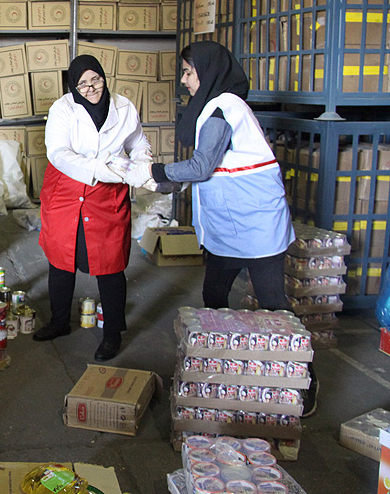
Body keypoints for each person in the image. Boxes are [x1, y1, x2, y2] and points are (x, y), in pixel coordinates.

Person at [125, 41, 317, 416]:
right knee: (214, 296)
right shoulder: (217, 107)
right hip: (231, 226)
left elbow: (200, 166)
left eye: (188, 72)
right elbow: (205, 169)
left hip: (257, 225)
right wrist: (159, 183)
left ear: (208, 72)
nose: (184, 82)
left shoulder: (223, 108)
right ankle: (228, 371)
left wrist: (154, 172)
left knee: (274, 304)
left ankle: (304, 380)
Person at [34, 54, 151, 362]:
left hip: (107, 194)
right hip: (67, 187)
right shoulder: (62, 109)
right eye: (82, 84)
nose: (90, 88)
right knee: (61, 258)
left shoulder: (124, 108)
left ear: (103, 77)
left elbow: (138, 143)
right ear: (73, 85)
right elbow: (58, 153)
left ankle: (112, 333)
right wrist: (100, 169)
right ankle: (59, 321)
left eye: (95, 80)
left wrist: (142, 166)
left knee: (109, 262)